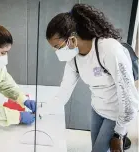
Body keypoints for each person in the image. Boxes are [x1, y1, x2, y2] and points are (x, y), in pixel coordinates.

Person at [46, 4, 139, 152]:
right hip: (97, 108)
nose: (57, 52)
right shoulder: (73, 59)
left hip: (116, 112)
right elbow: (64, 92)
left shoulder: (108, 50)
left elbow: (129, 97)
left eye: (58, 46)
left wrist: (119, 133)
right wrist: (41, 110)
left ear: (72, 39)